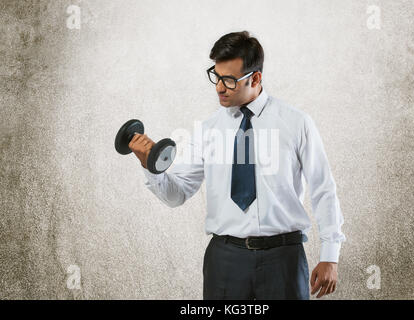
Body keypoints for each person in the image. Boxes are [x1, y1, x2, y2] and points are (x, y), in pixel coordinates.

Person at [128, 31, 346, 300]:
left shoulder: (297, 123)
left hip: (284, 260)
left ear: (255, 78)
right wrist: (151, 166)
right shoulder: (207, 130)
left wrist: (330, 255)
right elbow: (177, 194)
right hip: (225, 261)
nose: (219, 87)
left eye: (229, 80)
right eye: (216, 76)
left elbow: (323, 188)